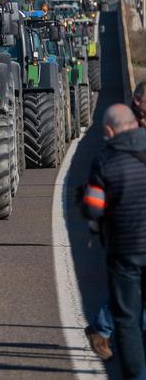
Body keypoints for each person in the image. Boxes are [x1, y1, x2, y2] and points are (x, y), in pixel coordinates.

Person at [82, 103, 146, 377]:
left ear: (109, 130)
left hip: (124, 251)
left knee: (128, 321)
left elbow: (93, 206)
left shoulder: (105, 160)